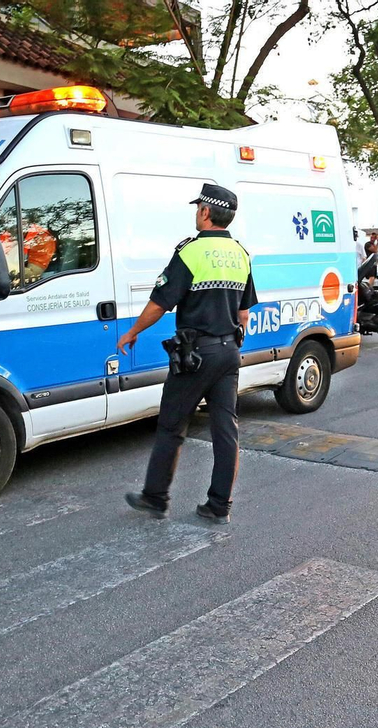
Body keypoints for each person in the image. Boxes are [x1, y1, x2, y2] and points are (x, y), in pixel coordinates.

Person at [119, 183, 255, 525]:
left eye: (198, 208)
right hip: (228, 352)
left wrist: (133, 332)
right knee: (226, 430)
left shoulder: (190, 253)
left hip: (195, 355)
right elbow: (244, 313)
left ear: (206, 212)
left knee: (171, 426)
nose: (196, 213)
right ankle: (219, 505)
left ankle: (155, 497)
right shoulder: (240, 254)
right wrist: (231, 345)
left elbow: (160, 304)